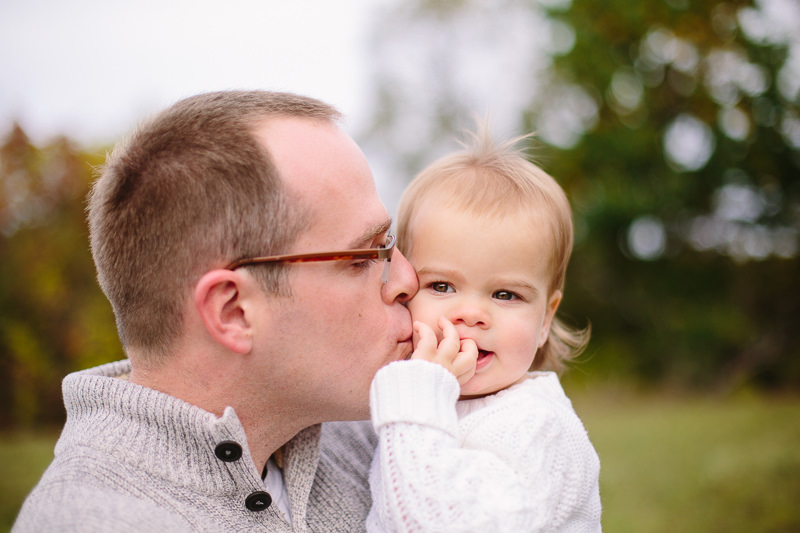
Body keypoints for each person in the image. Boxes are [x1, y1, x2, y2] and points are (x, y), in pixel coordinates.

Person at [13, 90, 419, 532]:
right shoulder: (94, 523)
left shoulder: (398, 439)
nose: (407, 279)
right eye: (364, 256)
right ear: (234, 312)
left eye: (391, 244)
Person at [366, 124, 602, 532]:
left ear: (545, 319)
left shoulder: (534, 427)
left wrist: (419, 394)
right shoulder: (417, 404)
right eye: (442, 286)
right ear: (404, 290)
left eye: (506, 295)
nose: (472, 315)